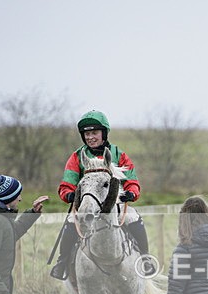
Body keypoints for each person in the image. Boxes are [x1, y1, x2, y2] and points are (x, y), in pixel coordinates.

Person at [50, 110, 153, 280]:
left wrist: (131, 193)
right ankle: (62, 262)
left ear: (103, 133)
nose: (90, 137)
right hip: (87, 205)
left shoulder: (119, 154)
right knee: (70, 221)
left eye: (94, 133)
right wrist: (68, 195)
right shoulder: (77, 157)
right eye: (87, 134)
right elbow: (67, 183)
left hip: (115, 205)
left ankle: (145, 259)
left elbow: (132, 180)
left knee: (134, 217)